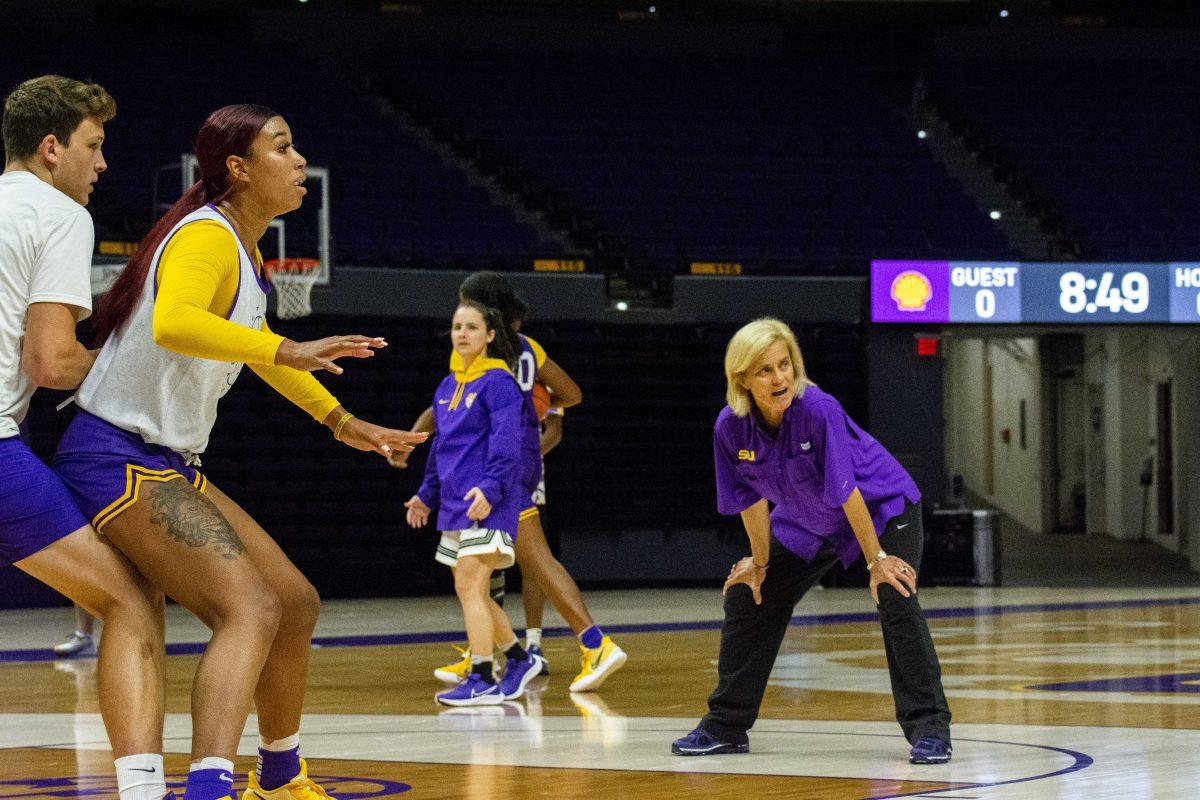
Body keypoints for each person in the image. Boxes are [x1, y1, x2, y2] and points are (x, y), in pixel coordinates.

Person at [53, 103, 428, 800]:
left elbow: (259, 356)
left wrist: (343, 421)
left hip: (166, 462)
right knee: (250, 608)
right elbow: (175, 322)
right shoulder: (206, 236)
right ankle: (208, 788)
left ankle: (281, 777)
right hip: (115, 455)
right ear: (238, 167)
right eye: (282, 148)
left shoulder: (245, 250)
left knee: (294, 601)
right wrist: (288, 345)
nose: (298, 162)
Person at [671, 318, 952, 764]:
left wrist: (877, 559)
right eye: (765, 370)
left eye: (785, 364)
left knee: (894, 593)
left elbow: (847, 491)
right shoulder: (729, 427)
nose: (780, 377)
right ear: (741, 378)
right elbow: (748, 500)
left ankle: (930, 729)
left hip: (879, 509)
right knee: (749, 596)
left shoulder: (817, 408)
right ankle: (726, 724)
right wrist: (759, 566)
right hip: (807, 519)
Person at [1, 75, 168, 800]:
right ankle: (140, 790)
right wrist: (139, 359)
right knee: (129, 597)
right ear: (50, 148)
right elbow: (53, 362)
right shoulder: (59, 214)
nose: (101, 165)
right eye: (93, 146)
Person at [393, 272, 626, 692]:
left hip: (497, 467)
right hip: (511, 460)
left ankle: (591, 644)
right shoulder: (528, 351)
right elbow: (571, 394)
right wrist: (539, 406)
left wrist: (412, 438)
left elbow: (443, 414)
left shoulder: (487, 362)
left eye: (469, 310)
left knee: (526, 559)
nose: (462, 323)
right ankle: (487, 652)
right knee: (485, 564)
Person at [404, 300, 546, 705]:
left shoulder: (500, 383)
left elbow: (508, 445)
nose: (461, 333)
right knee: (474, 591)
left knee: (469, 583)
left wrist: (490, 488)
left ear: (488, 335)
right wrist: (425, 495)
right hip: (455, 504)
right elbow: (442, 449)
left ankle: (482, 676)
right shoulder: (447, 386)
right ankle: (518, 659)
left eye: (470, 326)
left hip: (489, 500)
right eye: (455, 326)